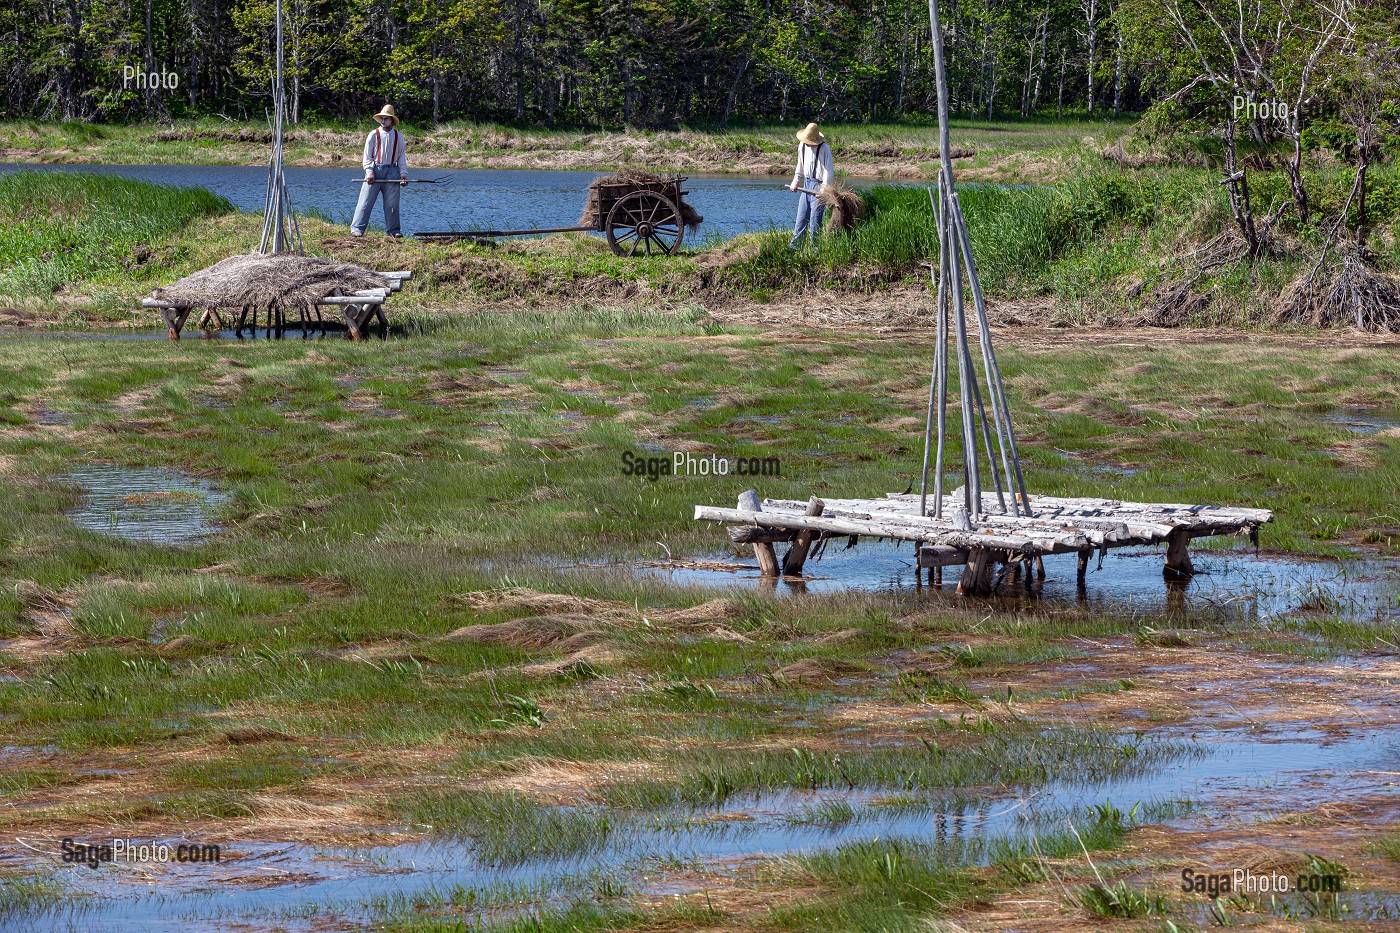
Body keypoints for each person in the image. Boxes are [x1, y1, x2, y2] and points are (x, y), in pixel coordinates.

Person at [350, 105, 409, 238]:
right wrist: (369, 171)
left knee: (392, 204)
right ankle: (357, 228)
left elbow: (401, 157)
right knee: (366, 201)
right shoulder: (373, 134)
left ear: (392, 120)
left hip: (393, 171)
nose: (383, 121)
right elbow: (367, 156)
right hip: (375, 170)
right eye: (382, 118)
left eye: (386, 118)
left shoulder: (399, 136)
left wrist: (403, 174)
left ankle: (393, 231)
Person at [788, 122, 833, 249]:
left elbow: (828, 172)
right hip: (806, 183)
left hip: (819, 186)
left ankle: (815, 250)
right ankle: (796, 247)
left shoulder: (824, 148)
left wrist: (824, 190)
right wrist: (796, 180)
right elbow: (800, 165)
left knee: (815, 220)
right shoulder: (802, 145)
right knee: (801, 218)